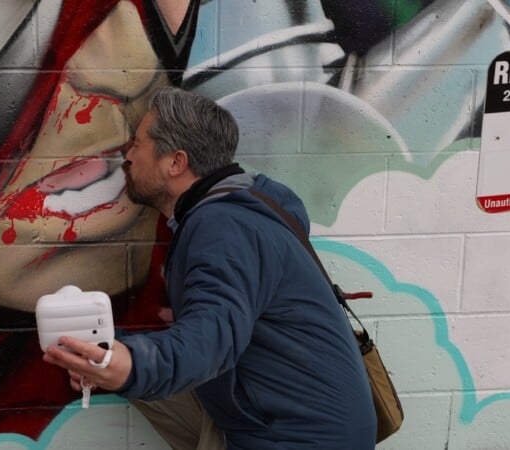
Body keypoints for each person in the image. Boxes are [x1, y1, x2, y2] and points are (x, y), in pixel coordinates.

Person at [43, 86, 376, 449]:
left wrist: (132, 364)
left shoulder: (223, 226)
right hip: (302, 421)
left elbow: (213, 334)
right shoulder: (241, 209)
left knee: (144, 375)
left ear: (175, 162)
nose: (127, 154)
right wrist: (113, 346)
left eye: (137, 143)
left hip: (299, 438)